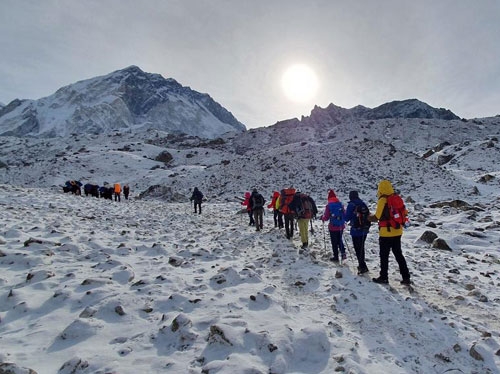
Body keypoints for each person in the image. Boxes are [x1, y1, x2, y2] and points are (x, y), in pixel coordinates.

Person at [369, 180, 411, 285]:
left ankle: (383, 277)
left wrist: (367, 217)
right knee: (398, 254)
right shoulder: (396, 198)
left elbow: (376, 217)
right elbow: (404, 212)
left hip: (386, 233)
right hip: (397, 231)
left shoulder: (382, 200)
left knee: (384, 256)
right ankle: (406, 277)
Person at [345, 190, 370, 274]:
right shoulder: (363, 203)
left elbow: (346, 218)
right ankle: (363, 265)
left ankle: (362, 266)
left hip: (356, 230)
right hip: (364, 229)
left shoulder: (351, 205)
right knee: (361, 248)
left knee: (358, 248)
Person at [321, 189, 346, 262]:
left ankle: (336, 257)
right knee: (340, 240)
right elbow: (344, 215)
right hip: (341, 226)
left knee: (334, 242)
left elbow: (326, 217)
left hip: (333, 227)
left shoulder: (329, 206)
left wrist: (322, 218)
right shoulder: (340, 204)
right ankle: (343, 253)